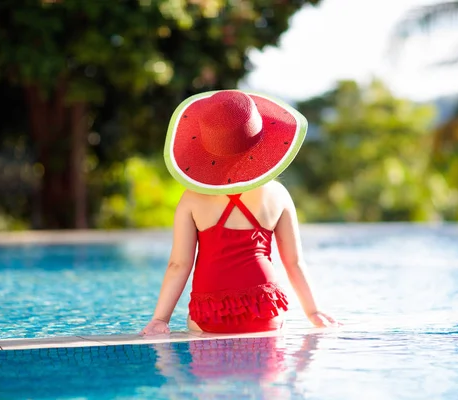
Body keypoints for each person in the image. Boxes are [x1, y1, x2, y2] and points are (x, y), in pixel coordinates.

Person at [140, 89, 337, 335]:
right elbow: (294, 262)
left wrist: (161, 319)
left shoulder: (192, 198)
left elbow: (179, 264)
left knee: (200, 339)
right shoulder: (277, 195)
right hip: (265, 311)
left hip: (210, 315)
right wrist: (313, 312)